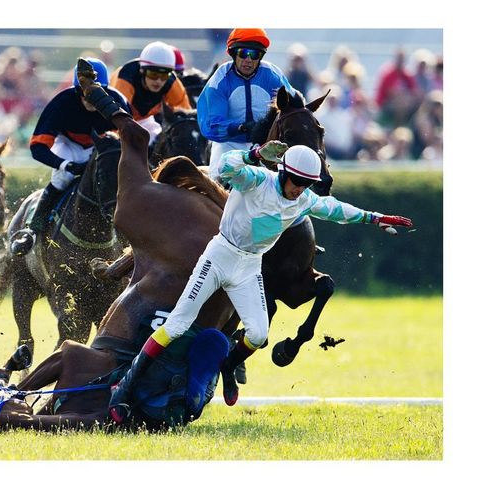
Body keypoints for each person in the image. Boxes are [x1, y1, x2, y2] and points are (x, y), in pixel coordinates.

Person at [108, 142, 413, 423]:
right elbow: (225, 167)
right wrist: (253, 154)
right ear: (284, 173)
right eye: (297, 182)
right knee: (176, 325)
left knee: (257, 333)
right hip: (220, 254)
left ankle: (228, 364)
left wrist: (376, 218)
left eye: (307, 184)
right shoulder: (255, 179)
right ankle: (124, 388)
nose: (301, 190)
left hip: (249, 266)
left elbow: (336, 211)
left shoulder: (304, 199)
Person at [8, 58, 130, 257]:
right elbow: (37, 147)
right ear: (77, 90)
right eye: (85, 93)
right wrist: (64, 164)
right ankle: (32, 230)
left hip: (103, 147)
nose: (91, 99)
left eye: (97, 93)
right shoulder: (61, 104)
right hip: (68, 145)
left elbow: (131, 141)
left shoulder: (118, 102)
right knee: (61, 178)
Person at [196, 28, 295, 179]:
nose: (248, 59)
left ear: (260, 57)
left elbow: (294, 107)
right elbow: (211, 124)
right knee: (218, 179)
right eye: (243, 53)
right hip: (228, 145)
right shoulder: (220, 79)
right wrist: (241, 127)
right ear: (233, 54)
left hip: (266, 145)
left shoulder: (273, 75)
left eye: (254, 54)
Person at [109, 41, 192, 145]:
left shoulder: (172, 82)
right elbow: (117, 119)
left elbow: (186, 116)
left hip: (145, 120)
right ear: (142, 71)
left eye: (164, 76)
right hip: (113, 120)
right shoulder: (125, 79)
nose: (158, 81)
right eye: (153, 74)